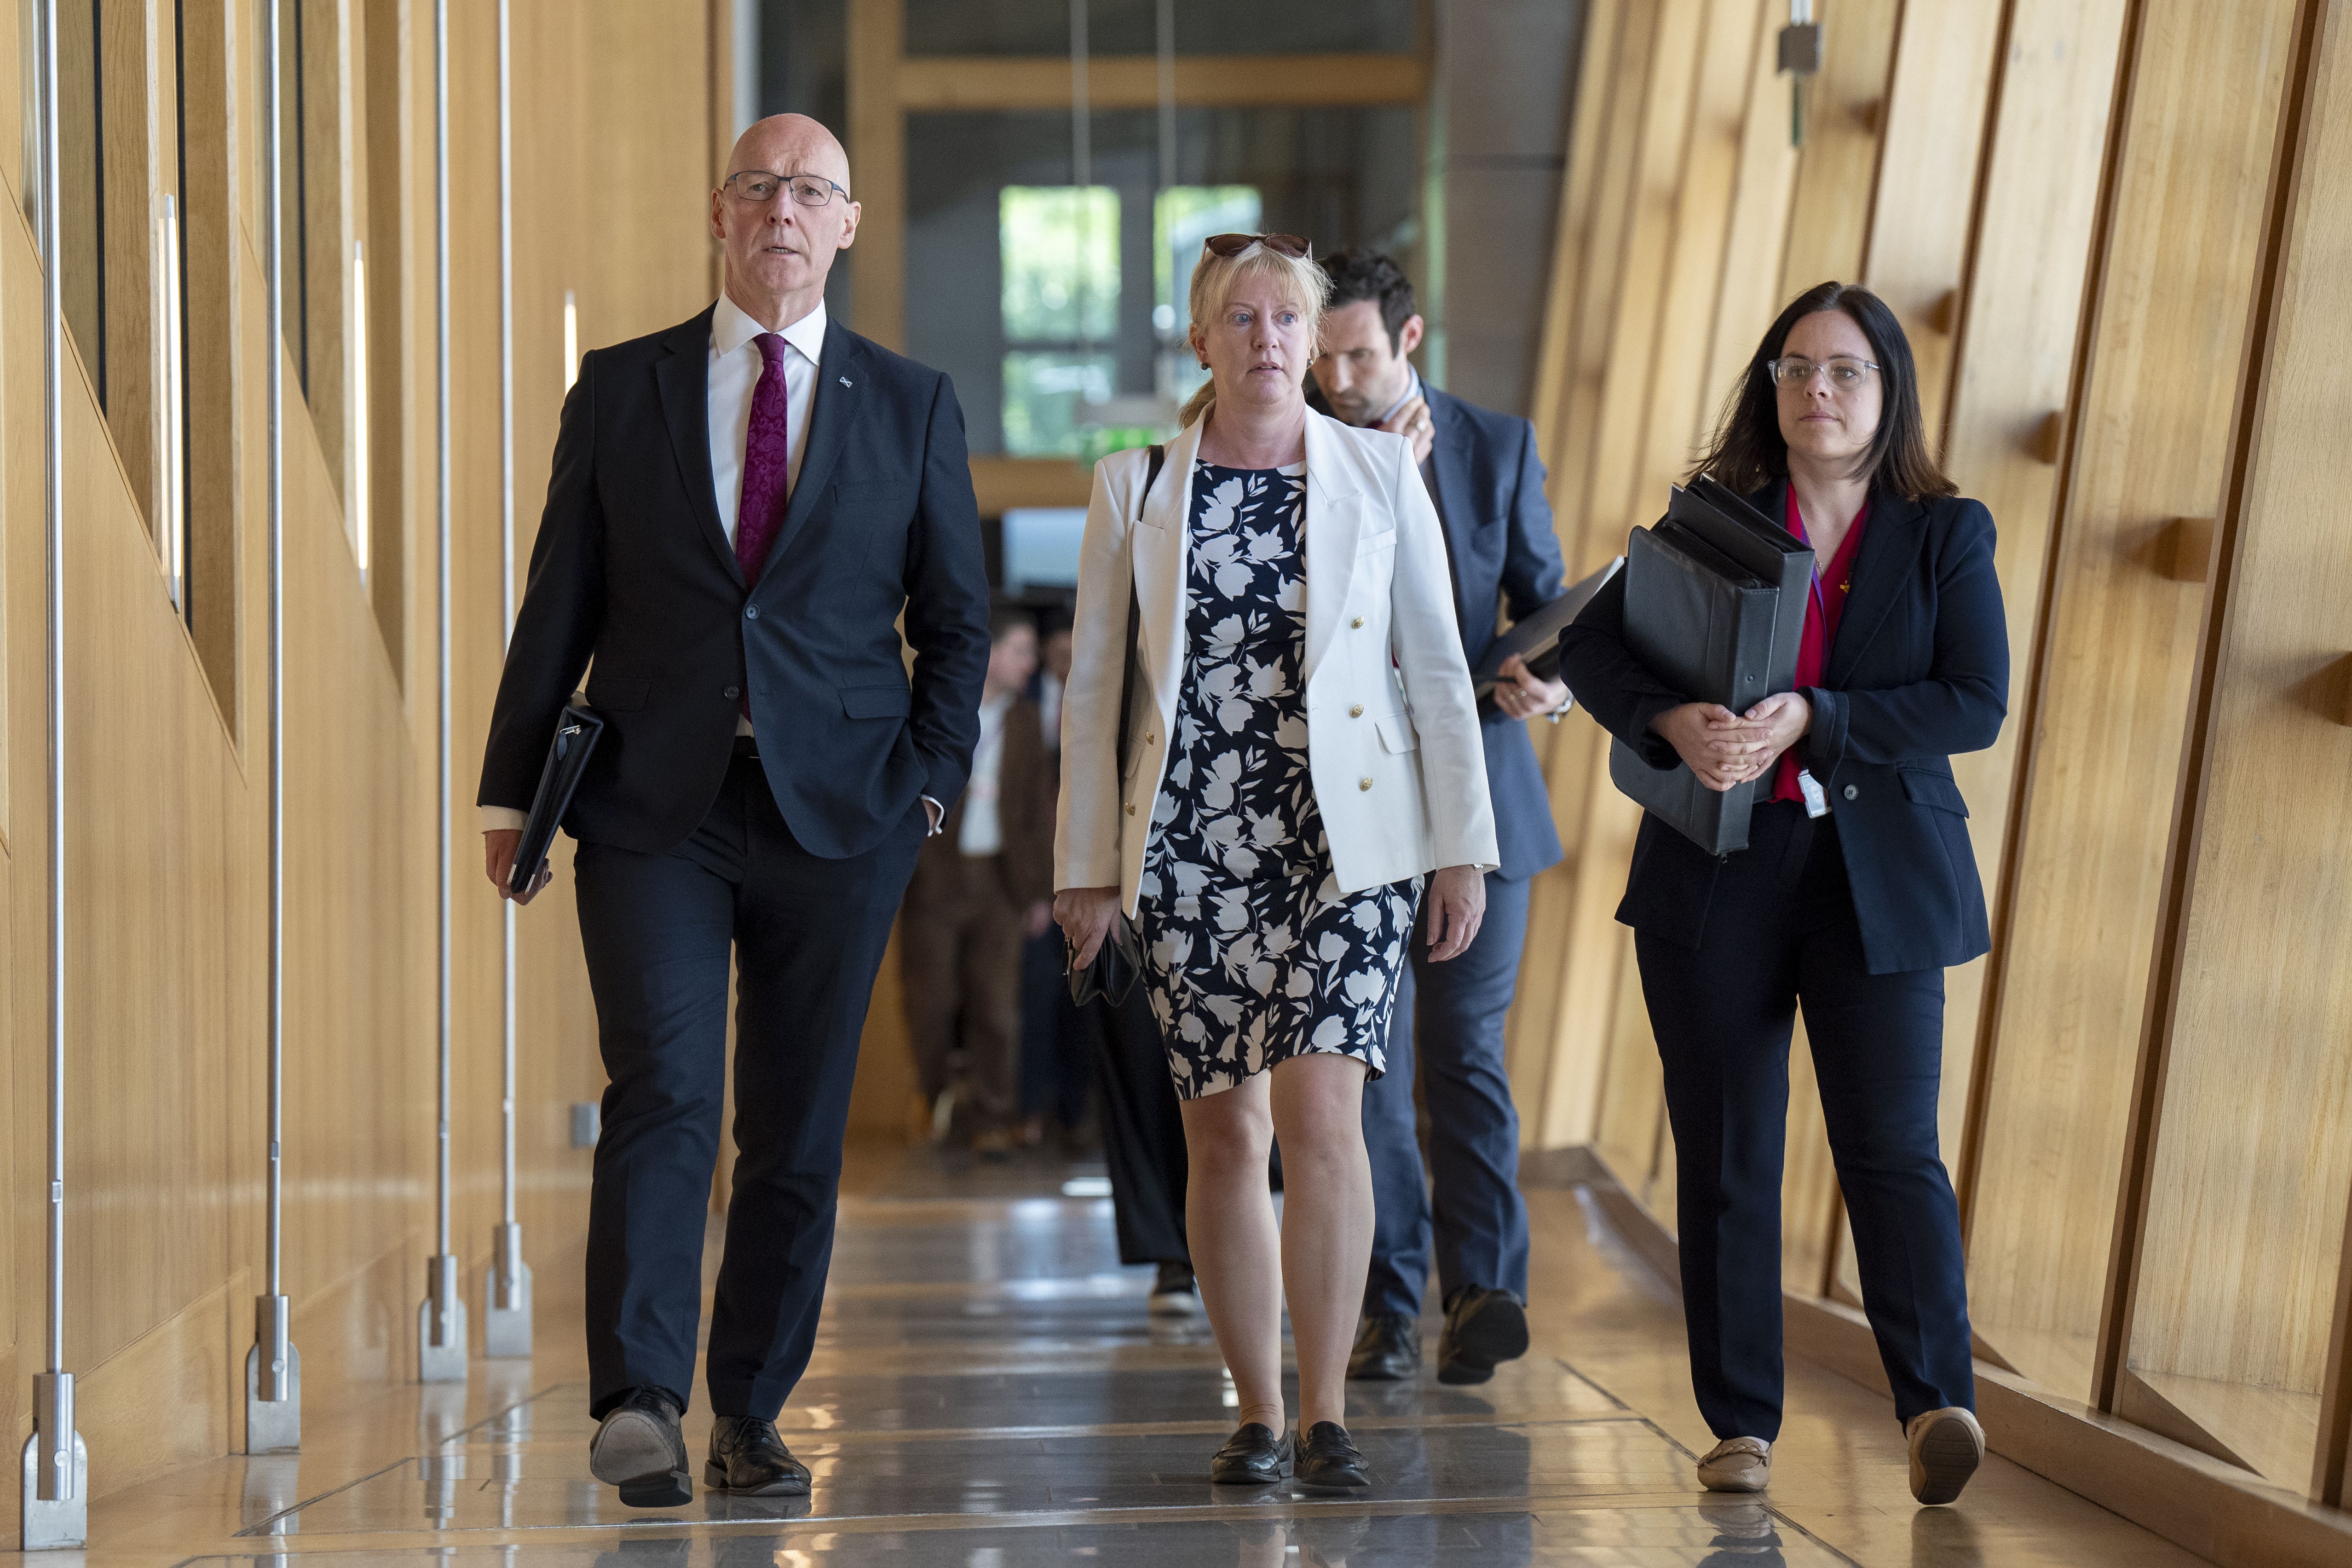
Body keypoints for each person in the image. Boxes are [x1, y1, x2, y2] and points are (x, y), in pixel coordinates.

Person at [476, 114, 989, 1507]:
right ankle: (641, 1397)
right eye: (760, 187)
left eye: (811, 191)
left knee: (797, 1125)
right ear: (720, 211)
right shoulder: (621, 388)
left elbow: (956, 623)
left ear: (848, 224)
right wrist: (512, 787)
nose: (783, 210)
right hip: (653, 806)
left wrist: (929, 788)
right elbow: (559, 598)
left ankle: (750, 1409)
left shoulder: (912, 403)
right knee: (666, 1088)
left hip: (846, 814)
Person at [1054, 233, 1499, 1491]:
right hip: (1192, 844)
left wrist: (1461, 851)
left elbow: (1436, 667)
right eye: (1240, 320)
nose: (1266, 340)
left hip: (1345, 847)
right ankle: (1255, 1408)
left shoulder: (1377, 470)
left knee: (1324, 1118)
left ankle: (1325, 1414)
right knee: (1223, 1133)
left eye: (1286, 320)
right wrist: (1085, 868)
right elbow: (1093, 692)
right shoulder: (1135, 485)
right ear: (1202, 341)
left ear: (1313, 339)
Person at [1556, 281, 2004, 1506]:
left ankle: (1937, 1404)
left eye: (1846, 371)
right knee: (1727, 1151)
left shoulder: (1945, 532)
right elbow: (1590, 648)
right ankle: (1740, 1425)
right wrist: (1669, 720)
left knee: (1891, 1148)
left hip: (1879, 882)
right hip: (1718, 873)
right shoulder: (1710, 521)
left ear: (1888, 391)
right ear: (1772, 387)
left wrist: (1820, 716)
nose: (1819, 391)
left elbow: (1975, 701)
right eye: (1797, 369)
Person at [1311, 248, 1566, 1386]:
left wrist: (1550, 683)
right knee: (1368, 1069)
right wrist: (1381, 489)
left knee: (1465, 1056)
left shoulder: (1496, 445)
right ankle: (1386, 1300)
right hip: (1354, 810)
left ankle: (1483, 1294)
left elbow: (1548, 602)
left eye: (1359, 354)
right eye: (1324, 357)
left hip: (1483, 802)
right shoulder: (1302, 450)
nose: (1337, 377)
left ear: (1409, 340)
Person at [902, 605, 1054, 1159]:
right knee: (931, 1002)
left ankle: (993, 1116)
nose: (1030, 662)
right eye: (1020, 650)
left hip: (1001, 881)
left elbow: (1039, 812)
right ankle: (939, 1103)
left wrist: (1039, 893)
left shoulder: (1027, 720)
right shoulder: (942, 709)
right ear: (989, 652)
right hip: (936, 877)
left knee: (997, 1007)